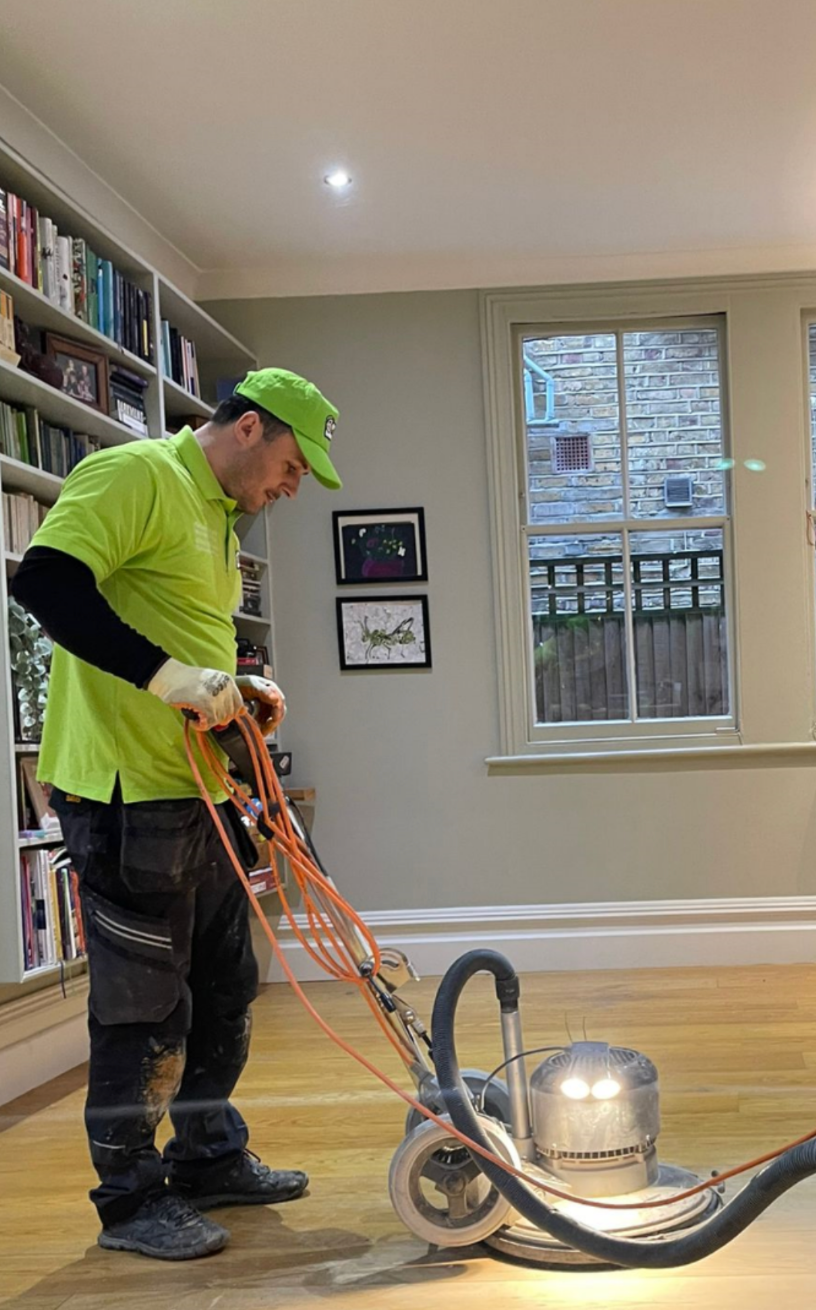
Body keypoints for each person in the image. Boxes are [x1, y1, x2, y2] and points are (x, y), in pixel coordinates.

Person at [11, 368, 342, 1262]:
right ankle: (129, 1203)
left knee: (227, 987)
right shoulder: (136, 476)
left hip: (194, 787)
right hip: (125, 795)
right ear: (246, 429)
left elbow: (180, 630)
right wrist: (166, 677)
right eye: (290, 463)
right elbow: (43, 582)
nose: (291, 486)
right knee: (143, 1009)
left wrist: (236, 684)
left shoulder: (220, 518)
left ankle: (206, 1157)